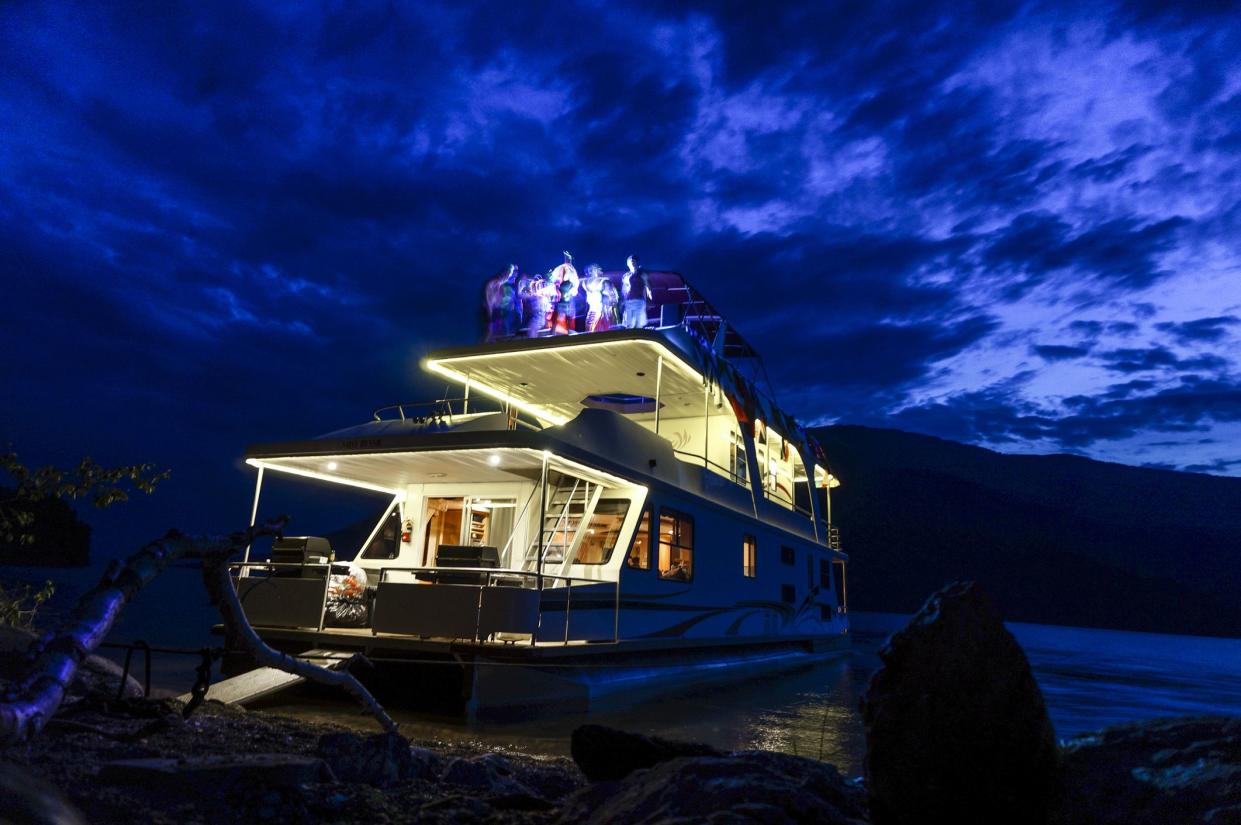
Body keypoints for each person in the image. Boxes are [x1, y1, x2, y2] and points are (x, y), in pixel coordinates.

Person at [484, 264, 521, 341]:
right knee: (491, 332)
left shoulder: (503, 285)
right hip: (495, 312)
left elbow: (502, 299)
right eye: (510, 273)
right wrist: (489, 313)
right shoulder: (493, 283)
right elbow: (489, 300)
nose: (511, 275)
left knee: (501, 331)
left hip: (500, 312)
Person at [621, 254, 651, 329]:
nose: (632, 263)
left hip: (639, 301)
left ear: (637, 262)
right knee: (629, 325)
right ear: (627, 264)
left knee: (638, 324)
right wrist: (622, 302)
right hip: (629, 301)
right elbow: (624, 290)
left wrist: (649, 300)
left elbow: (648, 287)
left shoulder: (643, 274)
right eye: (630, 262)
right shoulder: (625, 276)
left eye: (634, 261)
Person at [582, 264, 611, 332]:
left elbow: (608, 293)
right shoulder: (585, 282)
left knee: (595, 324)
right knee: (589, 324)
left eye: (592, 270)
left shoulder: (602, 280)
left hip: (599, 307)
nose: (589, 272)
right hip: (592, 307)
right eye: (589, 271)